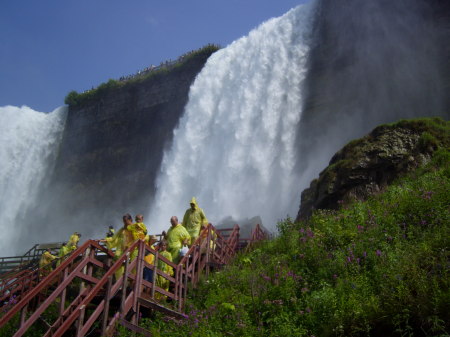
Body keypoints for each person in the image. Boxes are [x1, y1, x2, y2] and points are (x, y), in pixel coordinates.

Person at [100, 214, 134, 281]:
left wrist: (129, 246)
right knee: (117, 262)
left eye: (126, 221)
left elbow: (137, 238)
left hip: (131, 249)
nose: (124, 223)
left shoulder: (134, 228)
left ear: (130, 220)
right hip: (120, 249)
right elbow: (115, 239)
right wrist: (106, 240)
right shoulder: (122, 229)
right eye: (123, 221)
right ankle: (120, 281)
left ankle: (127, 281)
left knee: (130, 265)